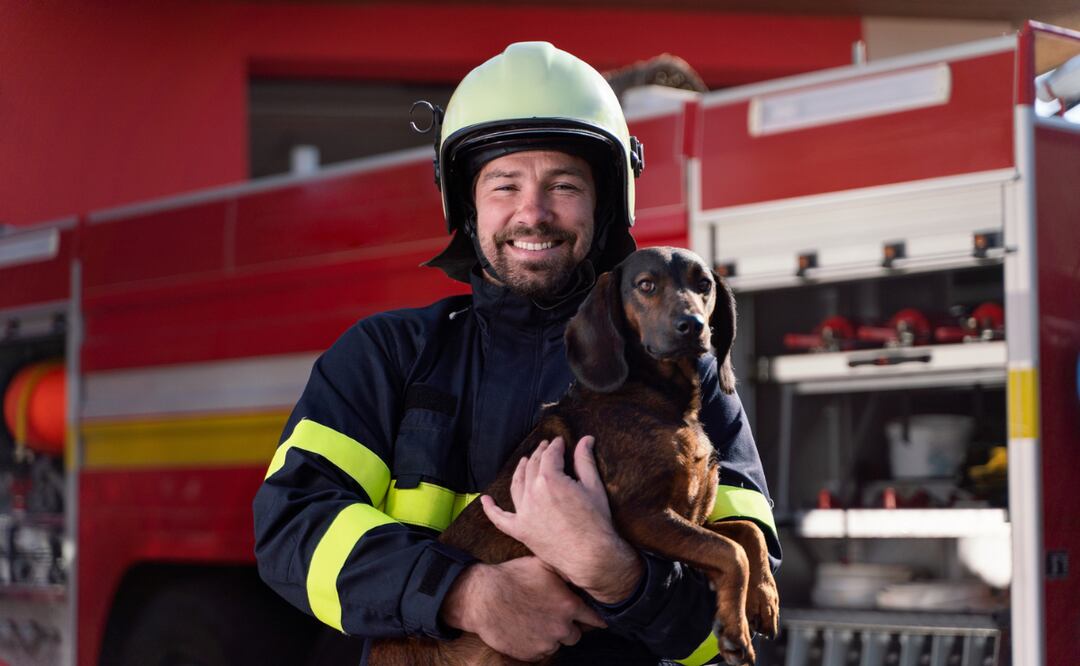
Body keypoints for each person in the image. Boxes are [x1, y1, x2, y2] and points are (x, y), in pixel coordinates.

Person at [253, 41, 780, 665]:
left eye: (564, 185)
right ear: (466, 206)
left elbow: (740, 615)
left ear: (603, 206)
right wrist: (465, 594)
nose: (533, 213)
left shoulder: (685, 380)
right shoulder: (384, 356)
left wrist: (617, 575)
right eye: (505, 185)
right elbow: (293, 529)